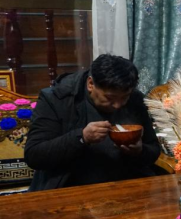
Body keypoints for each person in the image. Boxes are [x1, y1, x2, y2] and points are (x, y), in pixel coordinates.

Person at [25, 54, 160, 191]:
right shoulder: (57, 98)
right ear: (91, 84)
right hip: (70, 189)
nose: (118, 105)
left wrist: (139, 151)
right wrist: (82, 137)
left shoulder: (135, 99)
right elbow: (34, 156)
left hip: (126, 186)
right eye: (110, 98)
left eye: (124, 97)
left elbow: (153, 150)